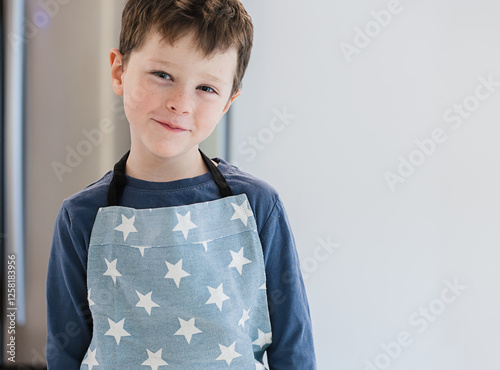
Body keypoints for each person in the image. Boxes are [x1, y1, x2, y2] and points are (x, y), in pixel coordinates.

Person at [46, 0, 316, 368]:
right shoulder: (81, 216)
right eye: (163, 75)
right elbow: (65, 353)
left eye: (206, 88)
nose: (180, 103)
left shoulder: (257, 205)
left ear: (227, 103)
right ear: (119, 71)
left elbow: (293, 347)